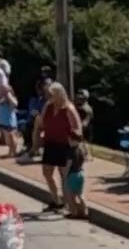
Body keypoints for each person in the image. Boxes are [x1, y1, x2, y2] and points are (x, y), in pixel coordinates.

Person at [36, 82, 82, 213]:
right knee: (47, 172)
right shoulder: (48, 106)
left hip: (64, 145)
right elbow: (42, 121)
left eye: (51, 94)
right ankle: (56, 200)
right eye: (48, 94)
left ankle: (69, 203)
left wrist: (72, 142)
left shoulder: (69, 109)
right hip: (50, 143)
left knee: (64, 175)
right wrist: (40, 135)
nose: (49, 96)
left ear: (59, 94)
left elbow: (78, 130)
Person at [64, 144, 89, 220]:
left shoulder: (71, 151)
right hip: (80, 173)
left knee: (71, 196)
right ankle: (84, 212)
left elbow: (68, 165)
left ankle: (73, 213)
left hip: (72, 175)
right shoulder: (82, 149)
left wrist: (65, 176)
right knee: (80, 195)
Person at [0, 86, 20, 157]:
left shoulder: (11, 99)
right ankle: (10, 152)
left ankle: (14, 152)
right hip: (3, 122)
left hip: (10, 122)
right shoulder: (1, 99)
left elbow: (15, 104)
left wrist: (8, 95)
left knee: (12, 137)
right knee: (7, 140)